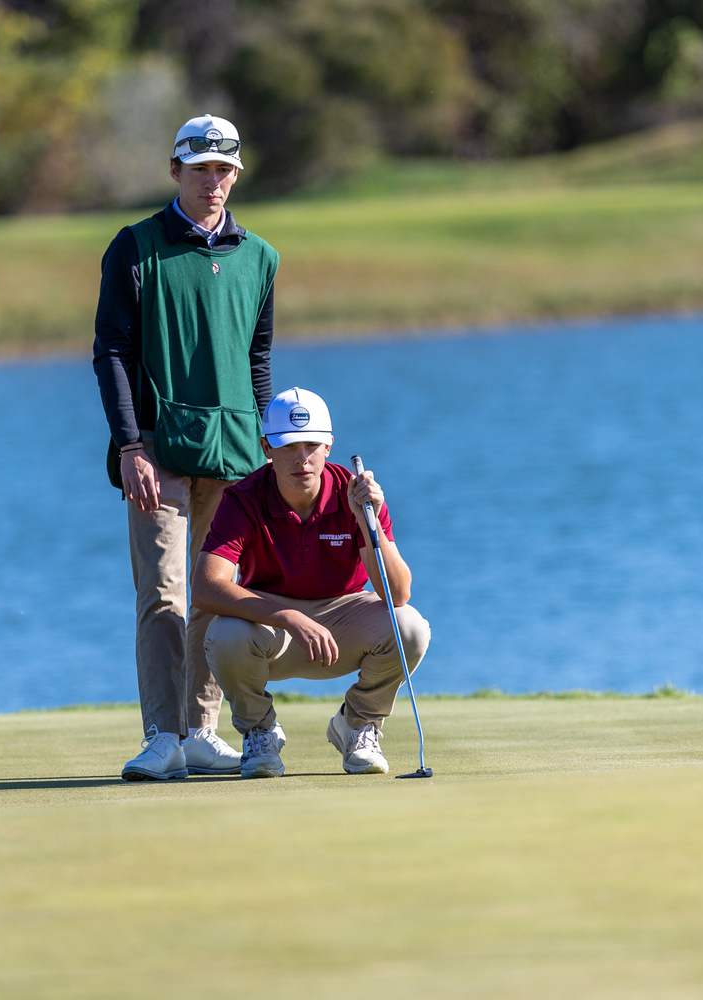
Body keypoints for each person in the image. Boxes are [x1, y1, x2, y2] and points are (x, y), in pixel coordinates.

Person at [92, 113, 279, 780]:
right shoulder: (135, 247)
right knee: (163, 596)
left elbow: (257, 360)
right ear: (176, 170)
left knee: (214, 594)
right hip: (159, 450)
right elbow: (111, 351)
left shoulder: (261, 257)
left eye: (224, 168)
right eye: (200, 168)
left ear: (235, 174)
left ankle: (201, 731)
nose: (213, 180)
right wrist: (130, 446)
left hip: (235, 456)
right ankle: (160, 735)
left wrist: (268, 450)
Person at [191, 387, 431, 778]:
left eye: (311, 445)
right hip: (272, 624)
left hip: (346, 613)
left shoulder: (356, 494)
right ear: (267, 448)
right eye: (288, 447)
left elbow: (398, 592)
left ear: (328, 446)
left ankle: (356, 725)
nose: (301, 459)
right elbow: (204, 587)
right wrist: (287, 616)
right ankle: (260, 732)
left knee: (411, 629)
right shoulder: (243, 498)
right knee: (225, 632)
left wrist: (364, 519)